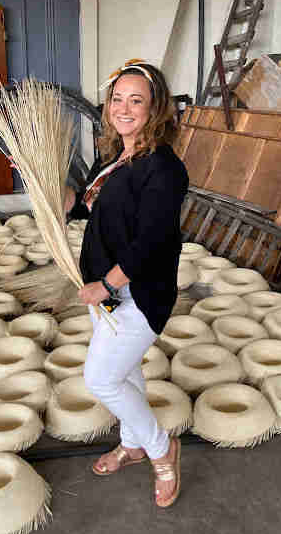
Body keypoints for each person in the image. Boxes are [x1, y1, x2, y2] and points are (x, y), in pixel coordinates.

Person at [66, 59, 189, 508]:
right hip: (108, 291)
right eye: (117, 98)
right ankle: (132, 444)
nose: (124, 107)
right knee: (127, 374)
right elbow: (102, 210)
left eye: (136, 100)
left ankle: (161, 449)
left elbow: (150, 243)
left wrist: (105, 285)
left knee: (100, 378)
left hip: (139, 293)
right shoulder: (113, 156)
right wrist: (71, 203)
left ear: (154, 108)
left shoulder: (164, 169)